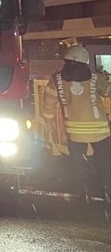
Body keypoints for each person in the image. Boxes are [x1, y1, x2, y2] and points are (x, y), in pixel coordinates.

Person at [41, 44, 111, 200]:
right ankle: (107, 191)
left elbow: (49, 102)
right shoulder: (95, 77)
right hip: (99, 131)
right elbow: (107, 92)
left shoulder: (56, 79)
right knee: (104, 162)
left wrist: (48, 119)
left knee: (79, 163)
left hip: (74, 131)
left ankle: (84, 192)